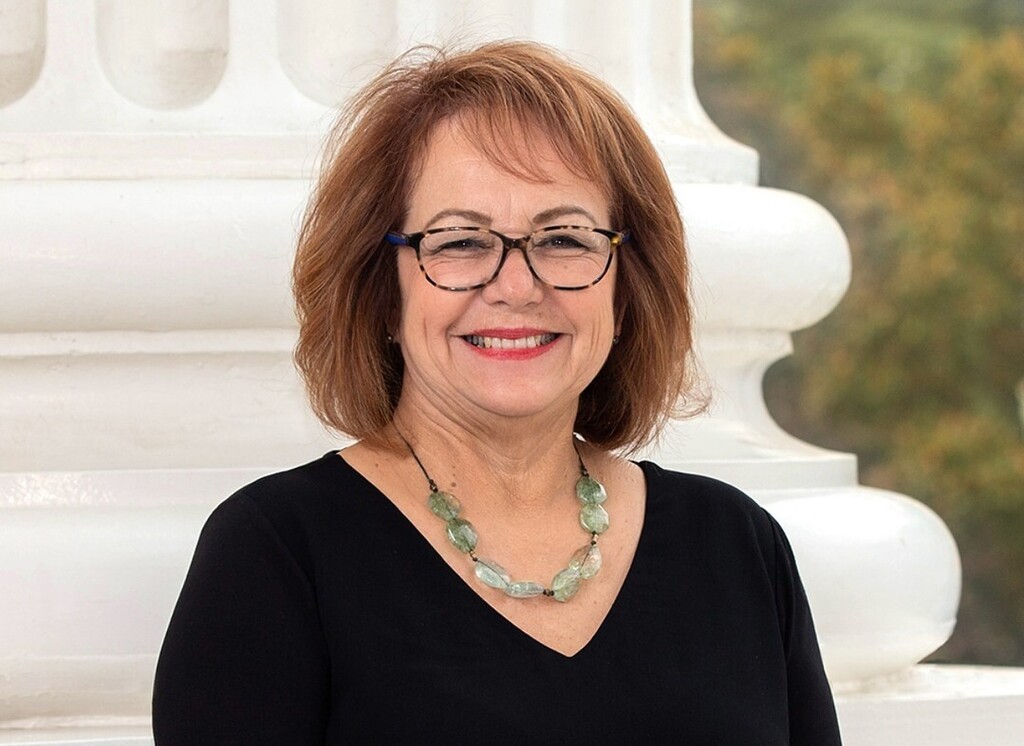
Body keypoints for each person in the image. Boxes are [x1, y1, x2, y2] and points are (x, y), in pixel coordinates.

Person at [152, 41, 842, 744]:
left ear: (625, 290)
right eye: (459, 242)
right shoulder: (275, 555)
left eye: (565, 239)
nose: (517, 287)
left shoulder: (736, 546)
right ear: (383, 292)